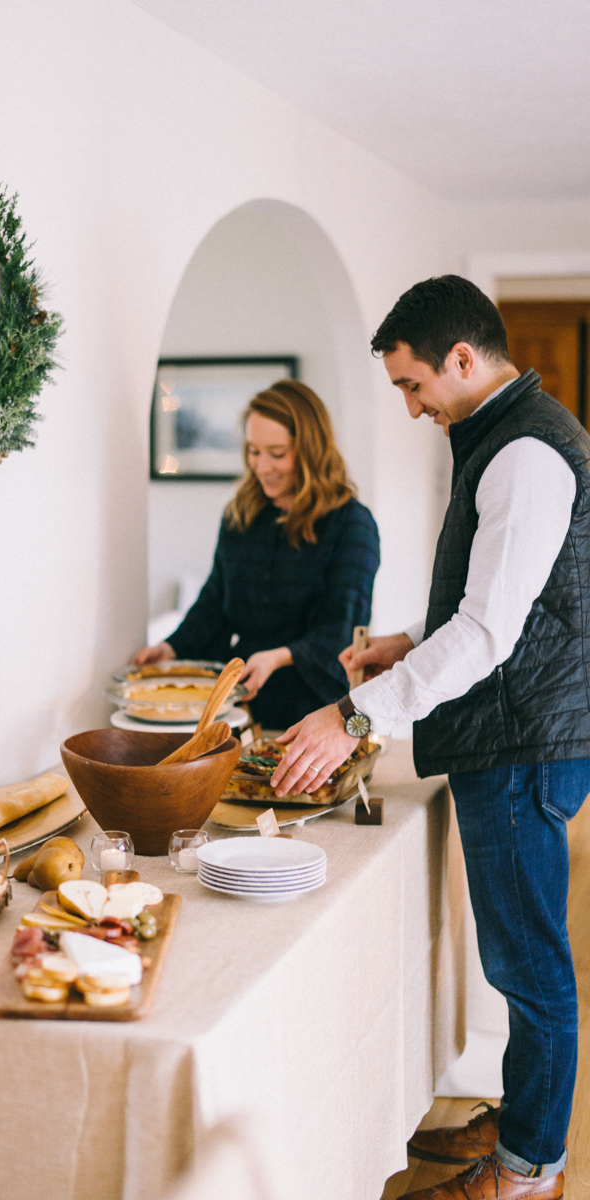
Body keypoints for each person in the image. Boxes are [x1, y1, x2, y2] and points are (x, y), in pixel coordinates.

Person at [271, 275, 590, 1200]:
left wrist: (353, 714)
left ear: (461, 358)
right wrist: (410, 642)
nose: (411, 408)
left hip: (521, 743)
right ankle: (523, 1117)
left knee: (531, 967)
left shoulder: (526, 453)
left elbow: (492, 633)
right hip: (515, 733)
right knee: (518, 957)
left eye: (413, 386)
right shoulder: (502, 435)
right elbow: (508, 608)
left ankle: (531, 1170)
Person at [132, 380, 380, 729]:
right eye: (253, 451)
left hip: (315, 709)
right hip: (241, 708)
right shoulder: (241, 515)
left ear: (311, 450)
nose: (262, 466)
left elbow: (343, 628)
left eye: (277, 453)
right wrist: (170, 648)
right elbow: (215, 603)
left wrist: (277, 658)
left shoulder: (352, 524)